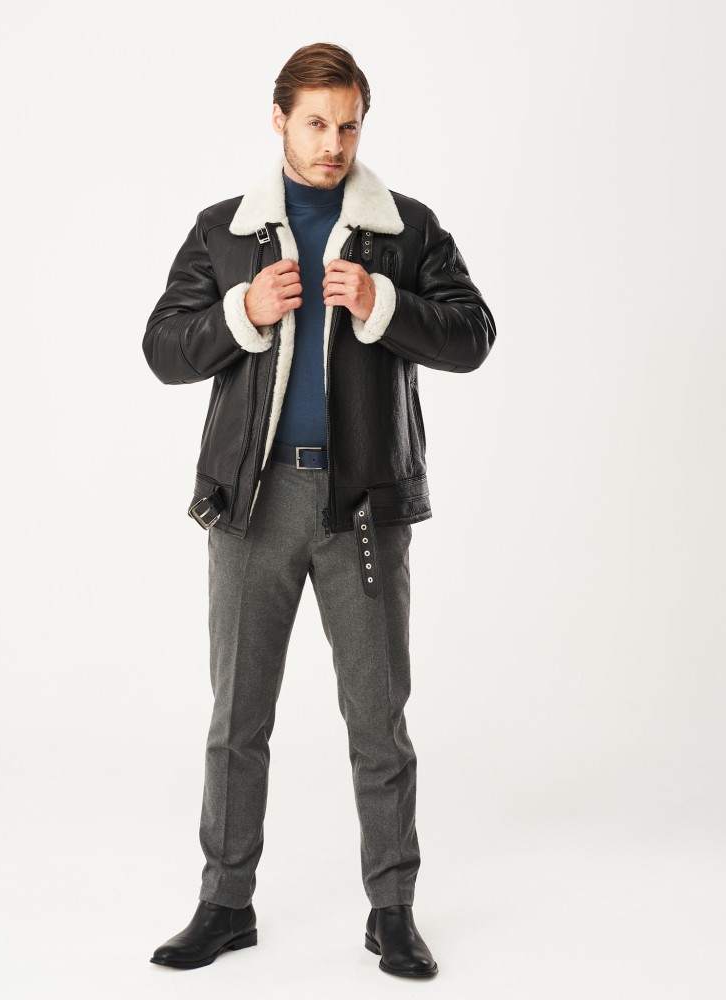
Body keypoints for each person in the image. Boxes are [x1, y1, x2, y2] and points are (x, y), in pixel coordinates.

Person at [141, 42, 496, 979]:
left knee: (378, 719)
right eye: (316, 123)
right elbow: (163, 348)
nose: (334, 143)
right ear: (279, 121)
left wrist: (385, 301)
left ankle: (393, 912)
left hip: (363, 507)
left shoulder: (405, 231)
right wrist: (241, 312)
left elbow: (474, 334)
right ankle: (226, 905)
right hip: (253, 503)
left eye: (348, 125)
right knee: (237, 718)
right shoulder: (224, 232)